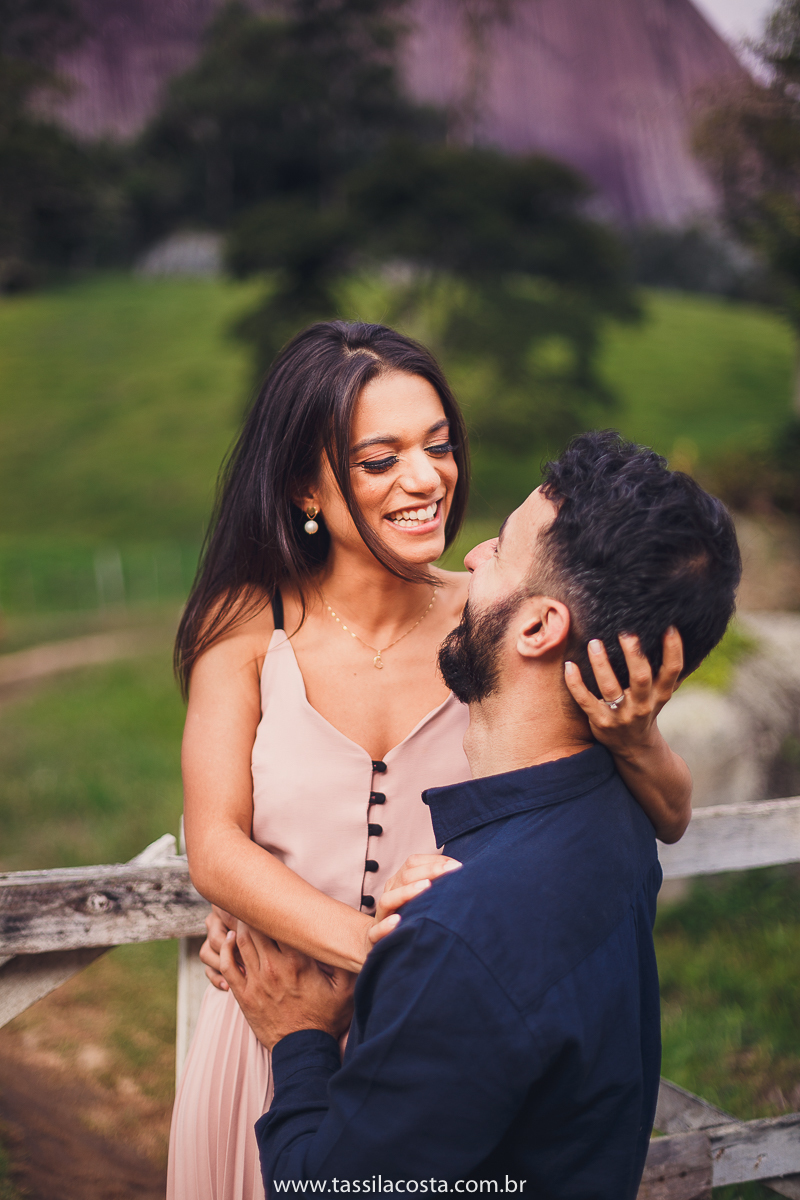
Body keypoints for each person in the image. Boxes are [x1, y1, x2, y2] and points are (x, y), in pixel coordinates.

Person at [168, 321, 693, 1200]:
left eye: (438, 445)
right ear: (306, 484)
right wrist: (370, 953)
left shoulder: (499, 620)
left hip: (446, 1042)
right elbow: (215, 845)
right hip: (274, 1028)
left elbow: (668, 818)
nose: (426, 479)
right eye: (380, 461)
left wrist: (636, 735)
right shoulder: (244, 626)